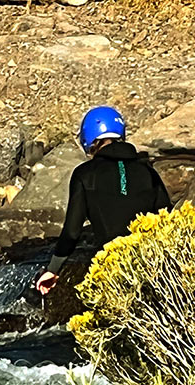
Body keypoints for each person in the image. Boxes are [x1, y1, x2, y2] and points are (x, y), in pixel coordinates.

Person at [36, 106, 172, 295]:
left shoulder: (84, 174)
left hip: (115, 269)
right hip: (153, 266)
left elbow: (72, 231)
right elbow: (168, 219)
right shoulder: (147, 170)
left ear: (89, 139)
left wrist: (53, 269)